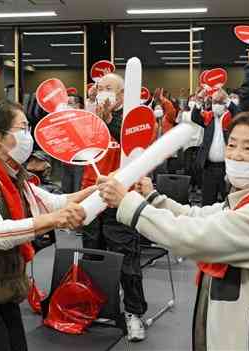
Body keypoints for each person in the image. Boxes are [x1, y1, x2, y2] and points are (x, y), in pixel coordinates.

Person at [100, 110, 249, 351]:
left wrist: (128, 203)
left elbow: (193, 236)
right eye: (231, 145)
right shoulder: (248, 198)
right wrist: (152, 197)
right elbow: (199, 217)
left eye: (248, 149)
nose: (235, 155)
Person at [0, 101, 91, 351]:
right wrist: (54, 220)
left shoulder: (10, 174)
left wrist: (100, 191)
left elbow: (54, 202)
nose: (27, 136)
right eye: (22, 129)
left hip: (1, 291)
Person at [82, 73, 149, 341]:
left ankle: (134, 313)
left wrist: (109, 121)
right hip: (91, 195)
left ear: (122, 94)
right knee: (92, 255)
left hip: (121, 196)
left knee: (126, 260)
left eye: (109, 88)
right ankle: (99, 305)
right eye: (100, 88)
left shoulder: (132, 119)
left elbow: (134, 149)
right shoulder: (90, 118)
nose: (103, 92)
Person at [192, 88, 239, 205]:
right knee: (207, 201)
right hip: (209, 168)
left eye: (220, 102)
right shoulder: (209, 117)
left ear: (225, 104)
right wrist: (199, 99)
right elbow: (194, 117)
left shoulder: (232, 118)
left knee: (228, 202)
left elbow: (240, 113)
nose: (216, 105)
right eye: (214, 102)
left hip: (227, 168)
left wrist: (226, 99)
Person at [61, 94, 85, 194]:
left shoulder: (85, 119)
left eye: (70, 104)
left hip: (79, 160)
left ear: (79, 105)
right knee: (66, 189)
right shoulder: (62, 120)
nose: (67, 106)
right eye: (66, 104)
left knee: (77, 189)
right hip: (65, 159)